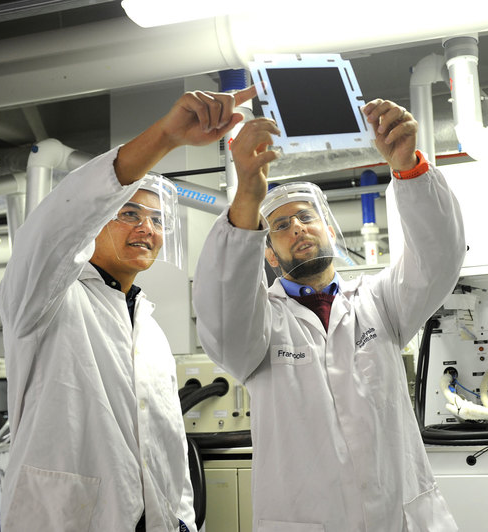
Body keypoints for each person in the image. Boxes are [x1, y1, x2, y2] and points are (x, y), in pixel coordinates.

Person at [193, 98, 465, 531]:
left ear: (329, 232)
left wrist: (408, 166)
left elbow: (439, 259)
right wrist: (247, 195)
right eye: (280, 226)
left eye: (305, 218)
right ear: (268, 252)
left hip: (400, 518)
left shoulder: (380, 301)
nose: (297, 228)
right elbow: (222, 320)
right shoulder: (259, 326)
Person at [0, 85, 258, 532]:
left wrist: (181, 518)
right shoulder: (45, 298)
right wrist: (165, 138)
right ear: (93, 221)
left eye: (157, 220)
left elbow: (166, 440)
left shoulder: (148, 325)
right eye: (130, 214)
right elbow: (54, 229)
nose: (147, 229)